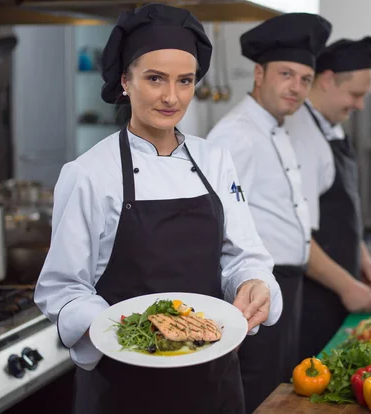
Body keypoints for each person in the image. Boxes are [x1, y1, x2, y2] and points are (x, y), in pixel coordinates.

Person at [33, 4, 282, 414]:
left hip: (213, 380)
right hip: (124, 385)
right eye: (155, 79)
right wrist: (120, 329)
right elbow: (63, 289)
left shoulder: (214, 160)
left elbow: (243, 255)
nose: (172, 97)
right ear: (125, 82)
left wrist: (252, 282)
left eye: (185, 81)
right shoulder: (89, 173)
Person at [206, 12, 331, 413]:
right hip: (256, 289)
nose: (297, 87)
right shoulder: (235, 133)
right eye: (286, 74)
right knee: (257, 392)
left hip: (286, 288)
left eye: (305, 79)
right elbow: (216, 224)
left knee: (278, 393)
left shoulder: (275, 126)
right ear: (259, 74)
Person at [284, 36, 371, 360]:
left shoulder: (332, 126)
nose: (360, 106)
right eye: (356, 94)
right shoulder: (300, 134)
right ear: (326, 80)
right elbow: (296, 235)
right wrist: (346, 286)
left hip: (340, 288)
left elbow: (341, 207)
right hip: (313, 294)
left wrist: (362, 255)